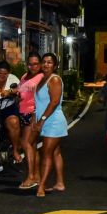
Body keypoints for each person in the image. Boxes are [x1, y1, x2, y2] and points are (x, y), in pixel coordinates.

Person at [34, 52, 68, 197]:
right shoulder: (42, 79)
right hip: (47, 120)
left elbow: (54, 102)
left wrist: (41, 120)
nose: (46, 65)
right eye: (44, 62)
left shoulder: (54, 80)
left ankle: (41, 186)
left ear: (55, 65)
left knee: (46, 154)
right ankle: (60, 183)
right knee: (55, 152)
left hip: (53, 121)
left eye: (49, 62)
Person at [16, 52, 44, 190]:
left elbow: (42, 97)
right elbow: (22, 94)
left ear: (40, 65)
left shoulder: (41, 78)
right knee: (31, 146)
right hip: (22, 112)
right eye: (30, 64)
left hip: (33, 113)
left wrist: (35, 115)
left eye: (35, 64)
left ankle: (30, 176)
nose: (32, 66)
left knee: (26, 144)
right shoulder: (24, 77)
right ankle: (36, 175)